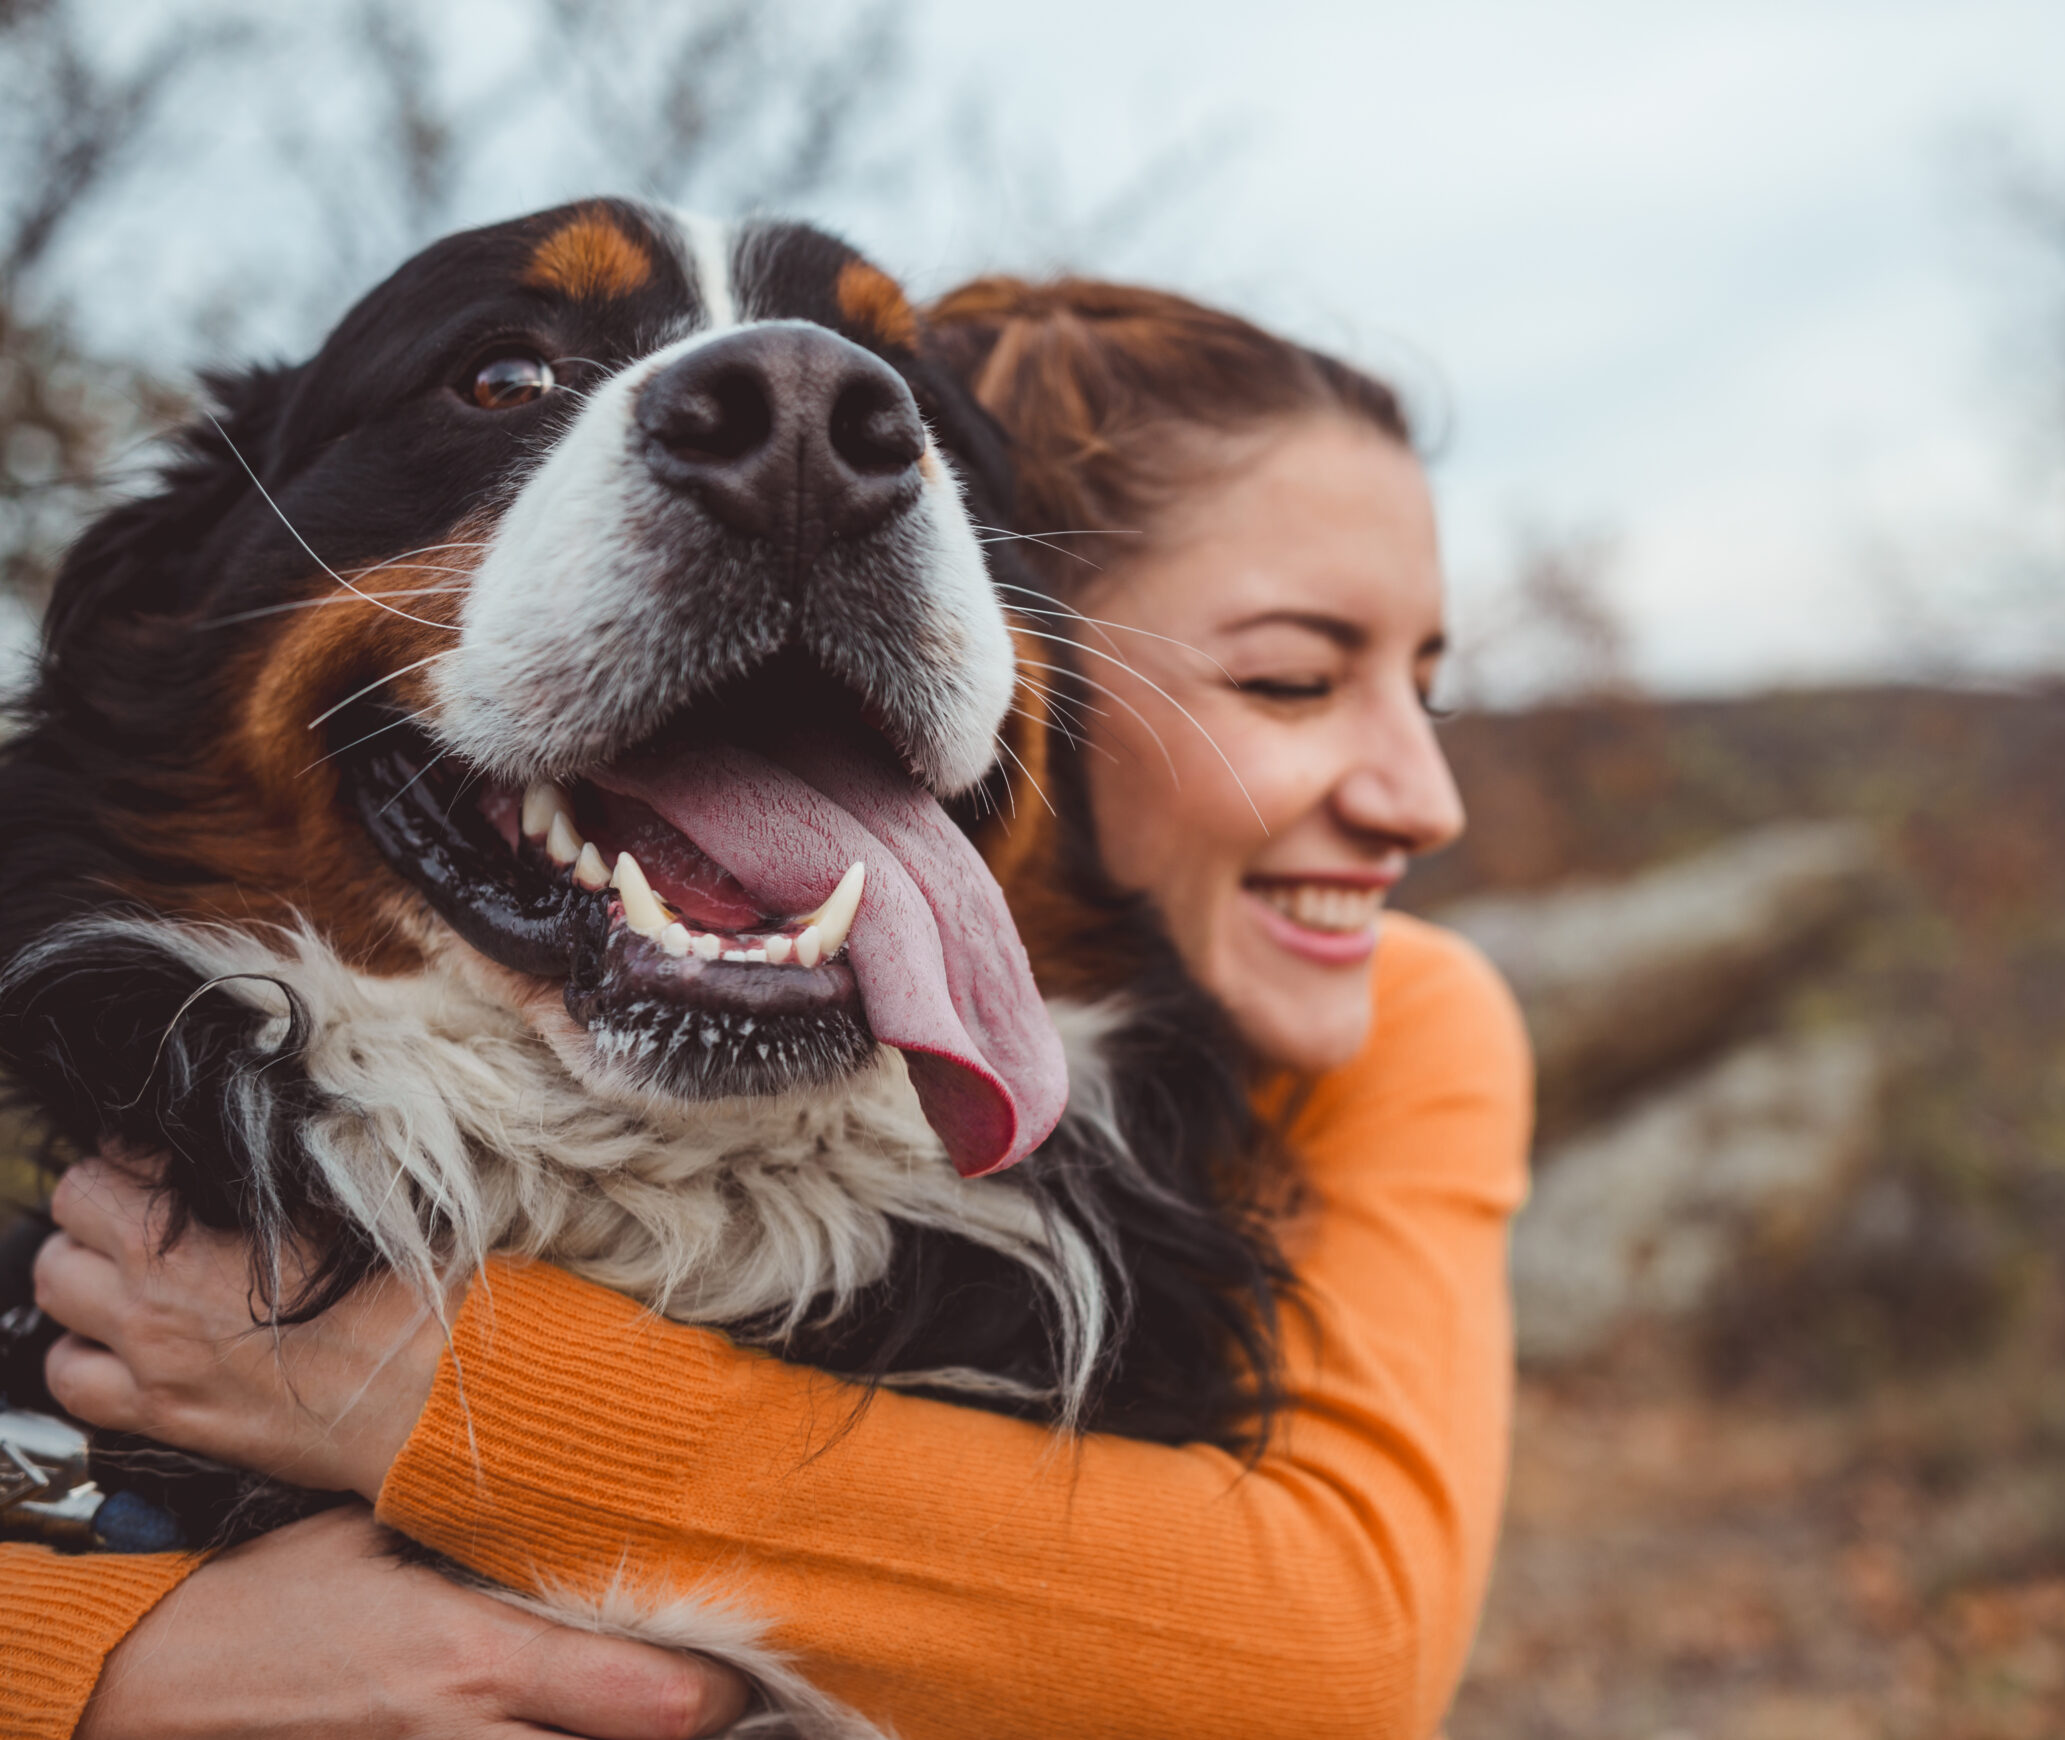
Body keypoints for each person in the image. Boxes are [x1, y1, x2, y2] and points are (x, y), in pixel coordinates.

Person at [3, 279, 1530, 1740]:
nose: (1426, 801)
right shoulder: (111, 1272)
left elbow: (1338, 1653)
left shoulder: (1405, 1019)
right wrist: (101, 1657)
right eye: (1287, 682)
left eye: (1429, 689)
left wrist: (434, 1395)